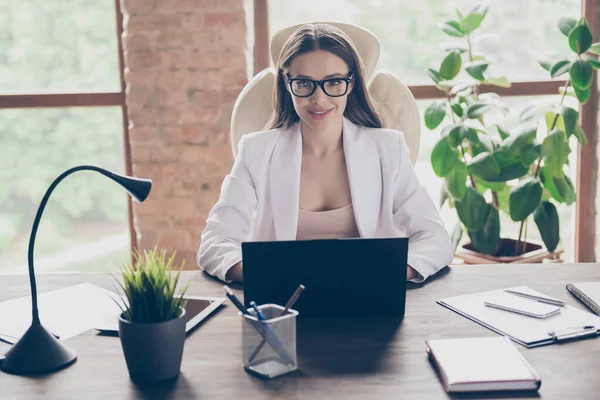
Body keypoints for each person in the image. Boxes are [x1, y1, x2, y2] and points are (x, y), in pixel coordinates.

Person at [198, 23, 452, 284]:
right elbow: (215, 242)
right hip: (284, 304)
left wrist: (392, 273)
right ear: (287, 83)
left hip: (368, 297)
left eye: (333, 82)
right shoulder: (256, 151)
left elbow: (435, 237)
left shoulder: (388, 148)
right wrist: (263, 275)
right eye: (304, 83)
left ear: (351, 83)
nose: (319, 98)